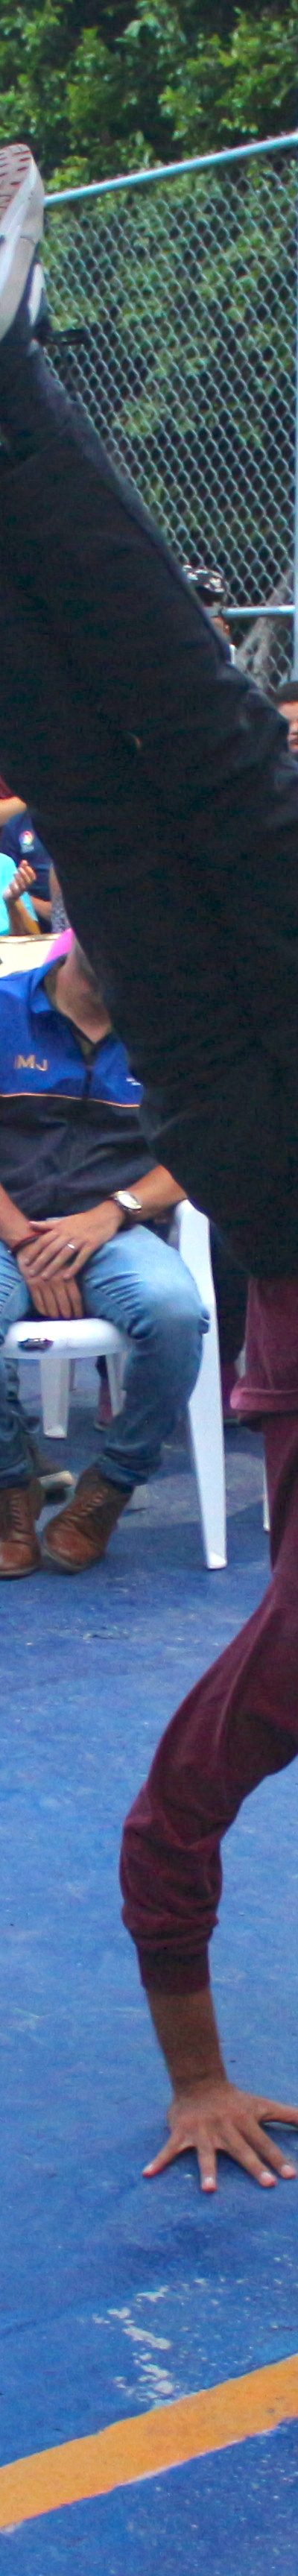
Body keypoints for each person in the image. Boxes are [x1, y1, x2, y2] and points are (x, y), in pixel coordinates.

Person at [1, 150, 298, 2177]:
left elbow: (166, 1823)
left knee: (119, 802)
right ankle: (13, 372)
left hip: (263, 1184)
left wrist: (199, 2075)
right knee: (199, 760)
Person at [0, 929, 207, 1576]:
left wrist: (115, 1211)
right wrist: (23, 1238)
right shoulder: (6, 1009)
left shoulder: (172, 1032)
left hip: (114, 1231)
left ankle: (111, 1486)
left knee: (176, 1313)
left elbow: (199, 1150)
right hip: (8, 1226)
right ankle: (11, 1483)